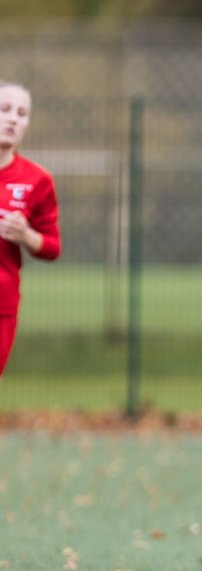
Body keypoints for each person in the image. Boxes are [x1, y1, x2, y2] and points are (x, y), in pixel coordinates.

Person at [0, 81, 60, 377]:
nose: (13, 118)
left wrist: (26, 236)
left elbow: (52, 247)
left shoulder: (37, 180)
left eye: (22, 113)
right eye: (5, 109)